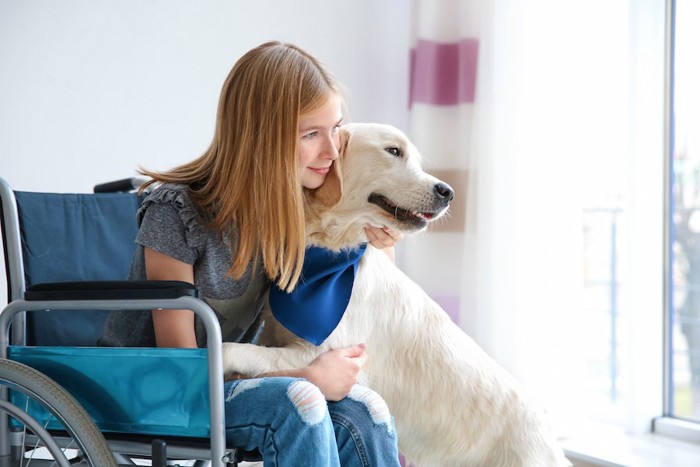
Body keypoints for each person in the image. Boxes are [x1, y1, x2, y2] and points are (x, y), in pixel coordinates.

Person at [99, 41, 403, 466]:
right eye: (312, 134)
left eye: (334, 128)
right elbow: (182, 372)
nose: (332, 151)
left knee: (365, 411)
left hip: (228, 381)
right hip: (152, 388)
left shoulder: (292, 209)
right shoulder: (174, 213)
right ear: (262, 139)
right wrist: (306, 376)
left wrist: (379, 242)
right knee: (299, 398)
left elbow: (361, 303)